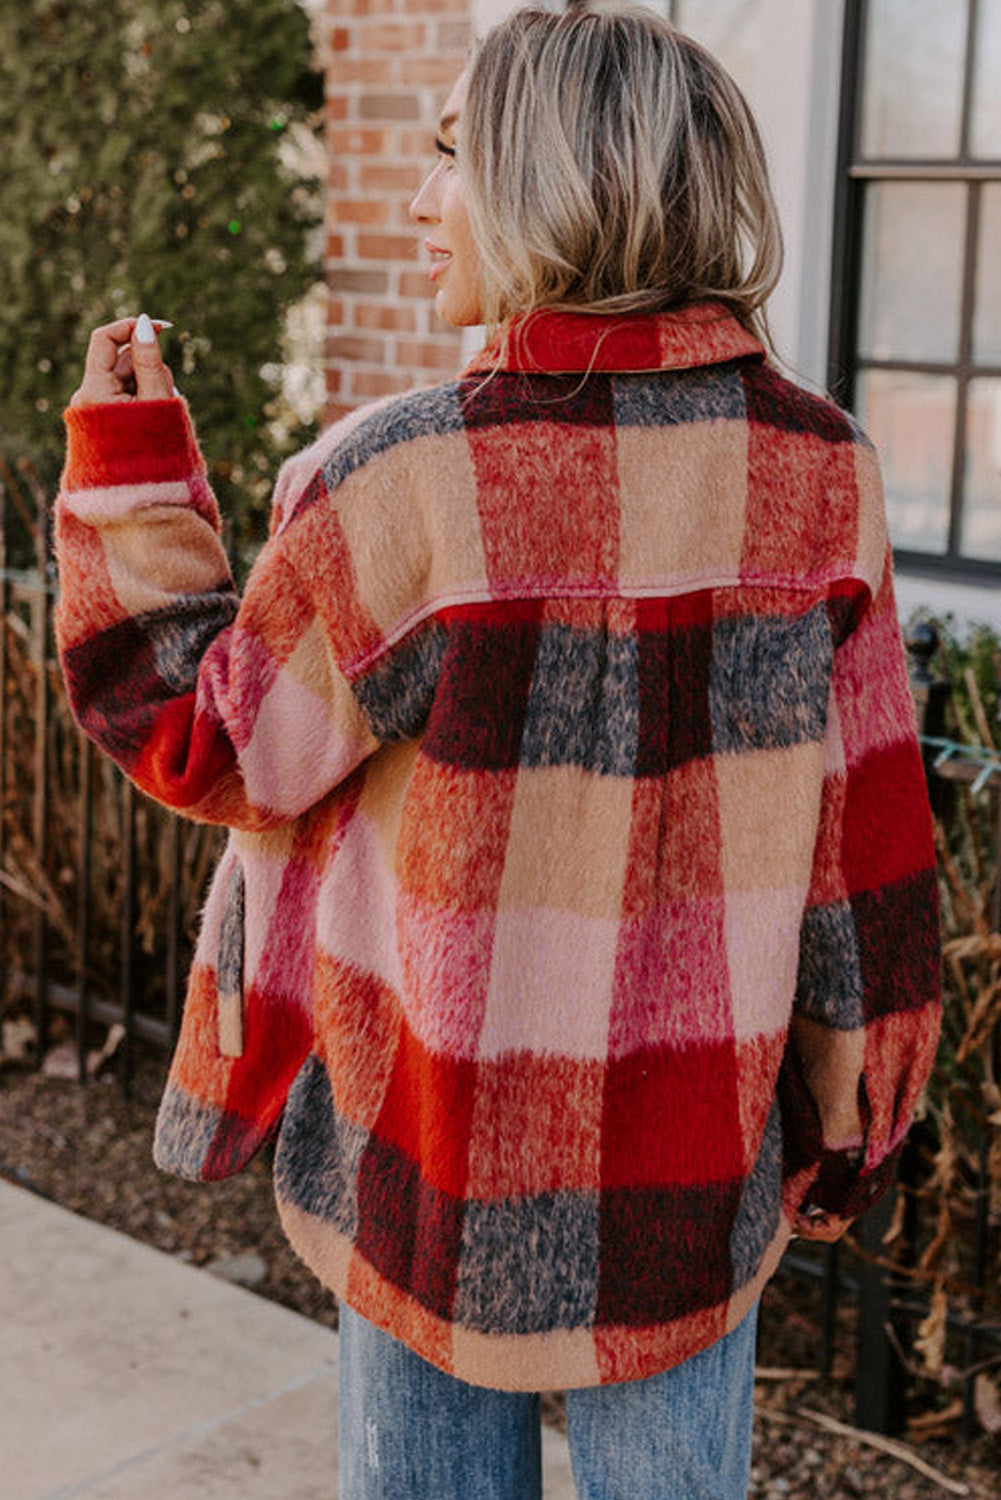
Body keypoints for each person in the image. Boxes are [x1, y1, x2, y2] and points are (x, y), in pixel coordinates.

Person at [56, 6, 941, 1498]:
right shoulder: (818, 468)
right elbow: (869, 846)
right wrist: (847, 1121)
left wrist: (133, 478)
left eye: (453, 155)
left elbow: (207, 746)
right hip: (688, 1165)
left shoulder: (395, 478)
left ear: (553, 176)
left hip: (425, 1159)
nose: (415, 198)